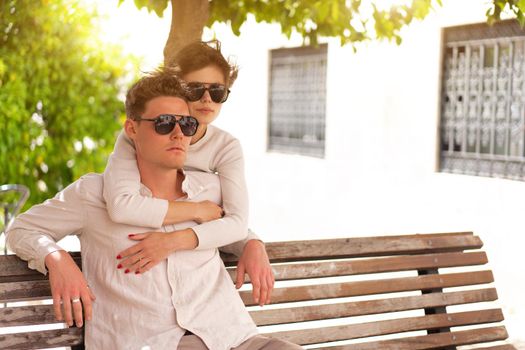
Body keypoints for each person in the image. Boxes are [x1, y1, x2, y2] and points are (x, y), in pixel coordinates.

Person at [6, 70, 302, 350]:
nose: (177, 134)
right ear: (132, 129)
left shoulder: (209, 191)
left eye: (186, 124)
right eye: (163, 122)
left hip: (232, 337)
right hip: (151, 342)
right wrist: (56, 258)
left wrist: (252, 243)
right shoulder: (93, 195)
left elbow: (231, 227)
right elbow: (22, 229)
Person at [103, 40, 274, 305]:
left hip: (196, 280)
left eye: (217, 91)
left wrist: (252, 242)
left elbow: (236, 221)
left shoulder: (226, 147)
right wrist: (198, 210)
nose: (207, 99)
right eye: (196, 89)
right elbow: (122, 205)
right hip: (137, 274)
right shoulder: (139, 135)